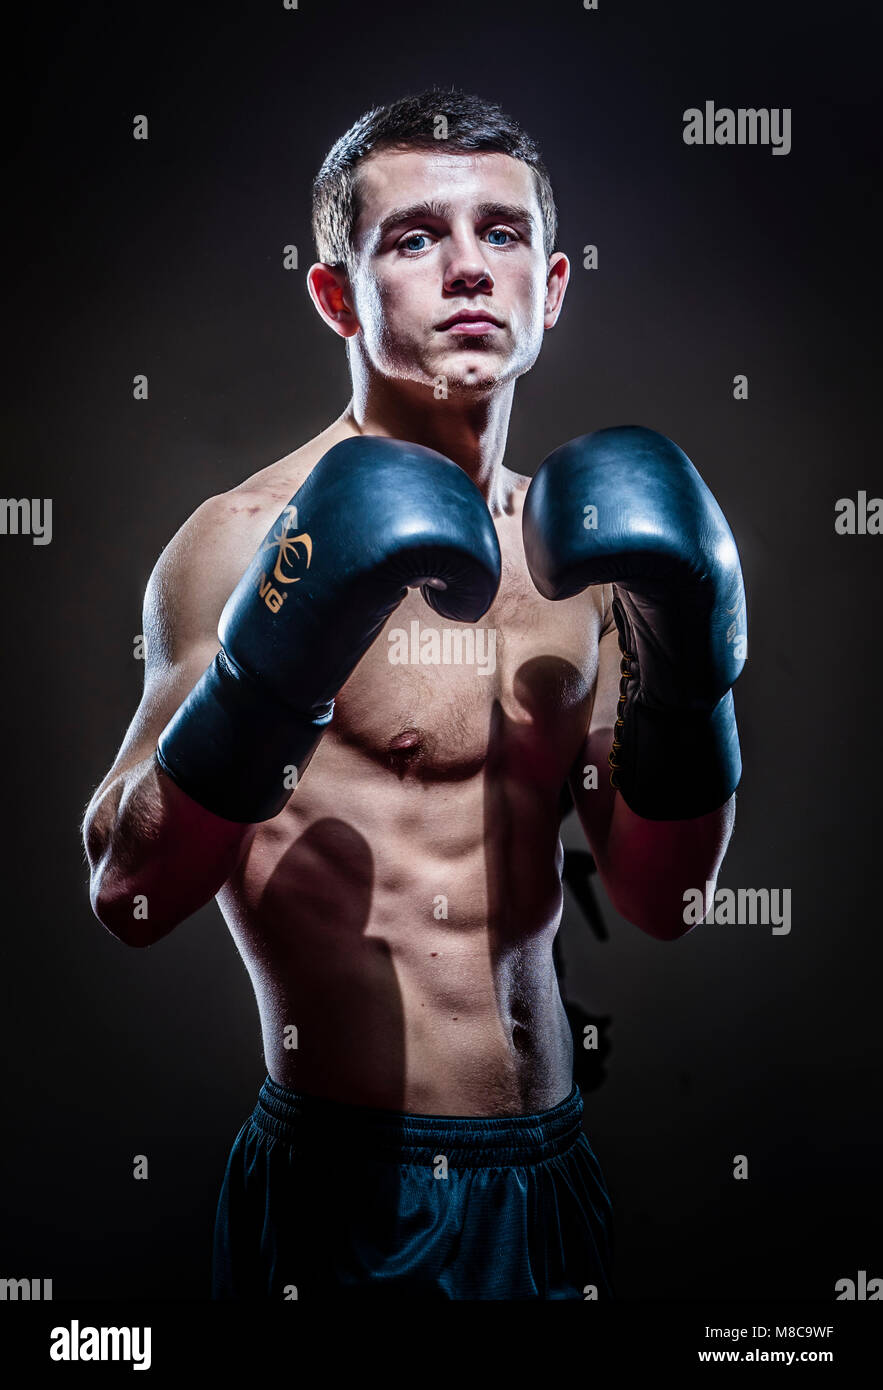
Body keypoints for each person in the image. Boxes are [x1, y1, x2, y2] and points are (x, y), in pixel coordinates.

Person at [82, 87, 745, 1301]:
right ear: (337, 293)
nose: (467, 269)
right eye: (413, 237)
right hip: (347, 1189)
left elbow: (660, 898)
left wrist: (692, 673)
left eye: (499, 234)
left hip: (549, 1172)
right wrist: (267, 669)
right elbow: (129, 893)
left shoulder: (589, 554)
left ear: (550, 286)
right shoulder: (243, 543)